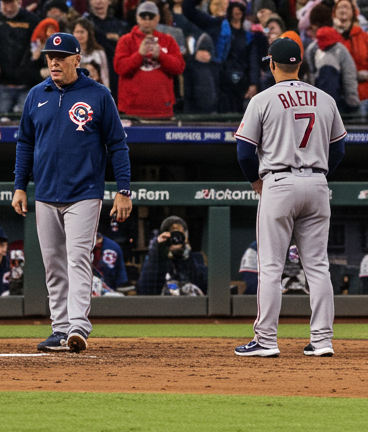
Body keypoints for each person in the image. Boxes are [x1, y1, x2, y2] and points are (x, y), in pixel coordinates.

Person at [12, 32, 132, 353]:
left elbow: (117, 143)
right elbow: (25, 143)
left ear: (77, 60)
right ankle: (60, 328)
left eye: (61, 56)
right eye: (50, 56)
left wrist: (123, 189)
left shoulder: (98, 95)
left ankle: (78, 325)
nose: (54, 61)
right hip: (46, 192)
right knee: (53, 263)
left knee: (77, 258)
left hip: (84, 192)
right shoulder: (37, 94)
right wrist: (19, 186)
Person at [233, 36, 346, 357]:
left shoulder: (262, 100)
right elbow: (338, 148)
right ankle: (322, 340)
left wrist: (256, 180)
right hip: (317, 183)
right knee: (318, 267)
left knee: (270, 267)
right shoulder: (325, 99)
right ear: (300, 63)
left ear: (271, 64)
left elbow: (244, 151)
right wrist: (318, 175)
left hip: (279, 182)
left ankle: (267, 341)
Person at [113, 0, 186, 118]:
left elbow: (179, 68)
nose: (147, 21)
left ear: (157, 18)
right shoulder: (126, 40)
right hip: (132, 110)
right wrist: (139, 54)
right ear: (137, 18)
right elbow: (120, 68)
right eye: (143, 17)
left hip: (162, 109)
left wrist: (161, 56)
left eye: (151, 17)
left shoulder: (168, 40)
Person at [136, 216, 208, 295]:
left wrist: (186, 254)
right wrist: (158, 250)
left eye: (179, 234)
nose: (175, 239)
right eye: (172, 235)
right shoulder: (158, 261)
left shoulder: (197, 259)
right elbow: (145, 289)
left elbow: (203, 285)